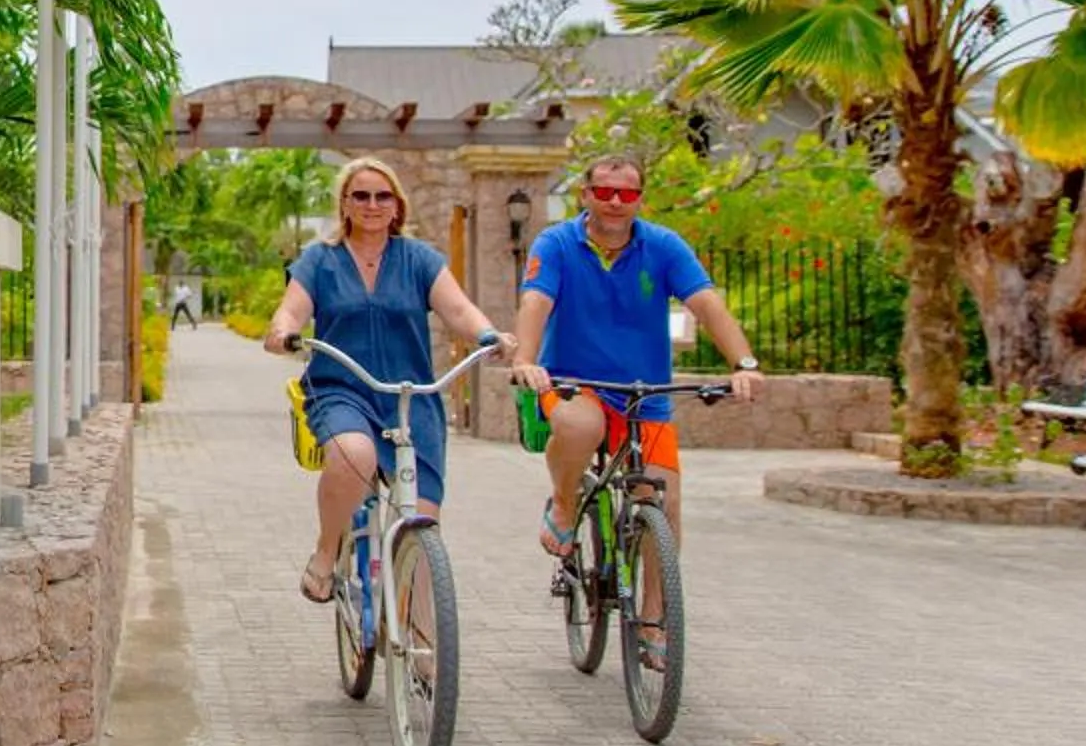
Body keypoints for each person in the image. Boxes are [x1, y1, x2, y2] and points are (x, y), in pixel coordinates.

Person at [262, 155, 516, 605]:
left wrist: (487, 333)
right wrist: (283, 331)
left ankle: (422, 652)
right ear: (345, 204)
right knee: (353, 455)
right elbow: (293, 309)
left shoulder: (419, 259)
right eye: (361, 195)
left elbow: (457, 309)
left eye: (383, 196)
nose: (373, 204)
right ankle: (327, 550)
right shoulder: (320, 260)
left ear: (397, 206)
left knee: (421, 529)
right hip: (341, 389)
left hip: (409, 396)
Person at [509, 153, 763, 572]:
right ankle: (564, 502)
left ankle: (653, 625)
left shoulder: (663, 246)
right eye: (604, 192)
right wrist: (525, 360)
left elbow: (706, 303)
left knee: (665, 502)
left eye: (626, 193)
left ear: (640, 199)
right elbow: (536, 300)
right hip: (574, 383)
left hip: (645, 394)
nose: (615, 201)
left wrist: (745, 363)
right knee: (580, 426)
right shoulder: (555, 244)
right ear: (585, 195)